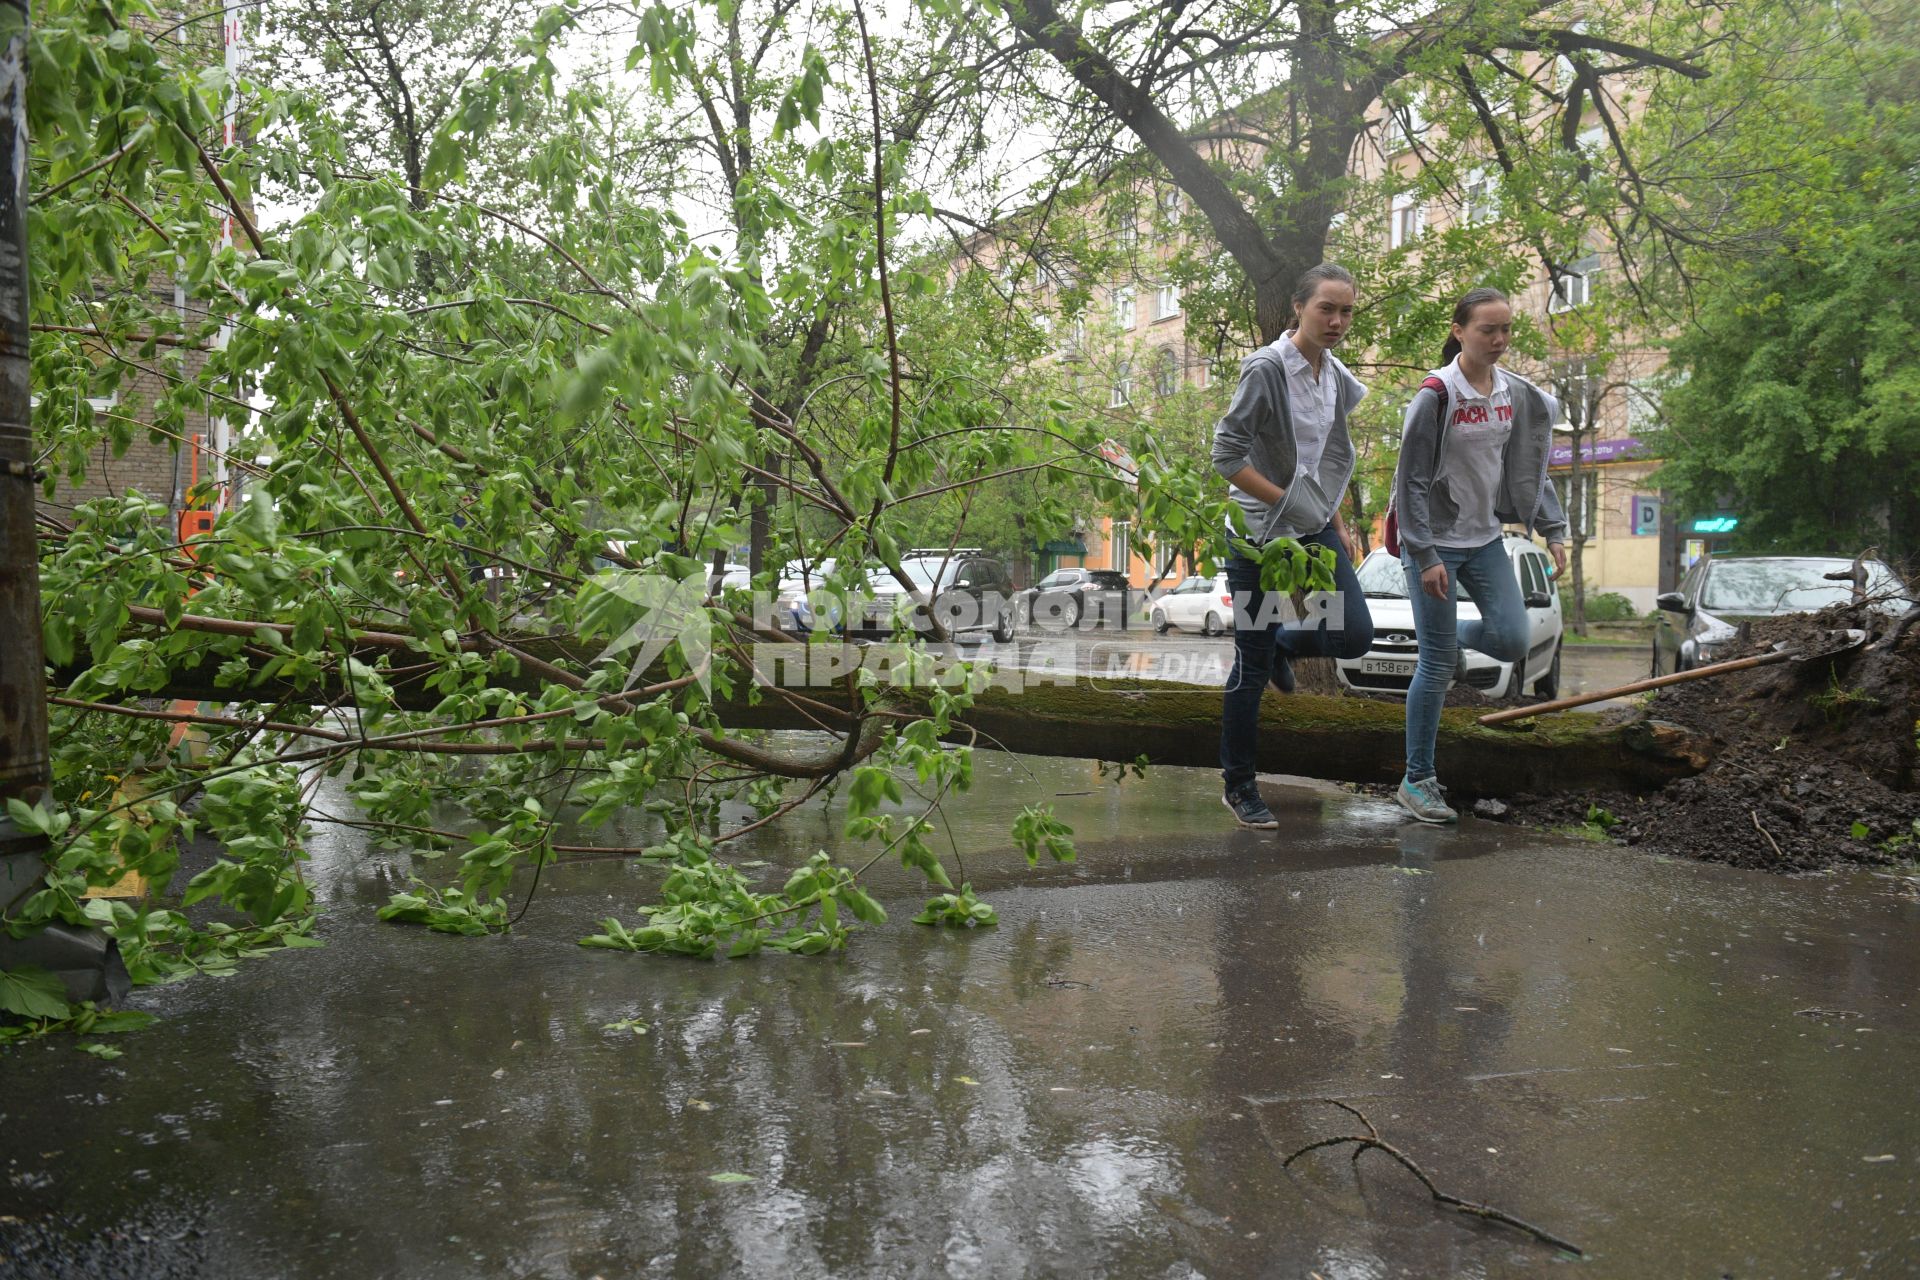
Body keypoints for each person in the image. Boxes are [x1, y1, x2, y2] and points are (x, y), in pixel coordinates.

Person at [1391, 287, 1569, 822]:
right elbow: (1411, 482)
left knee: (1513, 639)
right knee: (1436, 662)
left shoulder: (1514, 394)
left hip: (1485, 537)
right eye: (1487, 329)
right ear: (1458, 331)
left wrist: (1553, 528)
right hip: (1435, 542)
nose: (1498, 339)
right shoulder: (1436, 395)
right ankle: (1417, 780)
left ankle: (1446, 642)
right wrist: (1423, 555)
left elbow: (1529, 465)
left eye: (1506, 329)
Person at [1212, 263, 1377, 829]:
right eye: (1325, 308)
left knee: (1353, 633)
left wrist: (1331, 514)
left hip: (1312, 524)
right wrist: (1287, 503)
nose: (1336, 320)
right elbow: (1227, 457)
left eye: (1346, 311)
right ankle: (1239, 784)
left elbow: (1324, 456)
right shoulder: (1266, 369)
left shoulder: (1333, 374)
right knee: (1251, 664)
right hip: (1258, 535)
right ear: (1298, 309)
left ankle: (1286, 642)